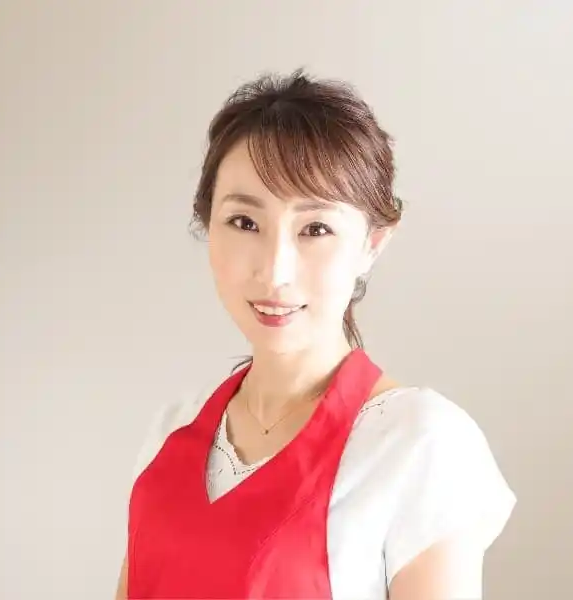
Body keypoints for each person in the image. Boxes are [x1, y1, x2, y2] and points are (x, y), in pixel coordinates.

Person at [115, 70, 516, 600]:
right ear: (207, 225)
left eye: (316, 229)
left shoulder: (420, 444)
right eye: (244, 222)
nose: (275, 271)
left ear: (372, 244)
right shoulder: (172, 428)